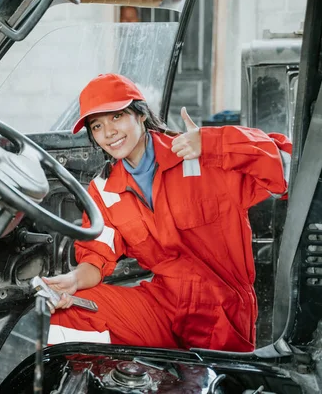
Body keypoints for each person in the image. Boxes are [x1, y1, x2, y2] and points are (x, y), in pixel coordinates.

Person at [44, 73, 292, 352]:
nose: (109, 132)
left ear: (140, 114)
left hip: (222, 308)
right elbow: (97, 256)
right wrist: (73, 280)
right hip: (165, 304)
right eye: (97, 126)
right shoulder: (103, 190)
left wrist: (215, 144)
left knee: (208, 382)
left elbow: (285, 172)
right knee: (73, 312)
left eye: (117, 117)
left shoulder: (201, 155)